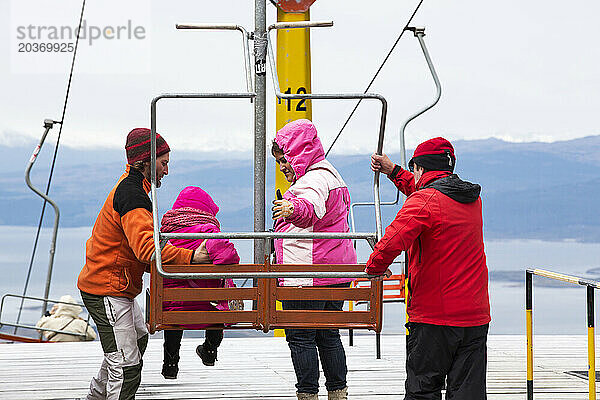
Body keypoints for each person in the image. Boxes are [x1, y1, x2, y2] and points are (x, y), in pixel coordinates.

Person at [77, 128, 210, 400]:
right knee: (126, 367)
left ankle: (96, 396)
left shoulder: (135, 188)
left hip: (113, 285)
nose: (166, 171)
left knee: (135, 341)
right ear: (145, 161)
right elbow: (147, 250)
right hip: (107, 288)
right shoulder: (134, 196)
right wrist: (191, 257)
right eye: (163, 163)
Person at [367, 137, 490, 400]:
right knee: (468, 394)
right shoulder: (470, 199)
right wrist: (394, 171)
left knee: (423, 390)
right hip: (476, 316)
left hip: (434, 317)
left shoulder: (425, 201)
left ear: (420, 169)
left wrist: (375, 268)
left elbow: (392, 241)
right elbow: (428, 191)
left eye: (414, 169)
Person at [271, 119, 355, 400]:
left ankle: (307, 394)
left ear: (298, 152)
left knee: (300, 337)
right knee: (328, 335)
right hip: (334, 273)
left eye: (285, 159)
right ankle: (338, 392)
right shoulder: (332, 175)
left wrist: (289, 208)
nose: (283, 167)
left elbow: (309, 209)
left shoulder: (313, 180)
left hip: (307, 274)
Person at [159, 186, 240, 379]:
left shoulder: (165, 235)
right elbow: (229, 257)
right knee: (219, 307)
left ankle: (170, 364)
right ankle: (210, 351)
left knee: (174, 320)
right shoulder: (207, 231)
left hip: (173, 307)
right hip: (207, 306)